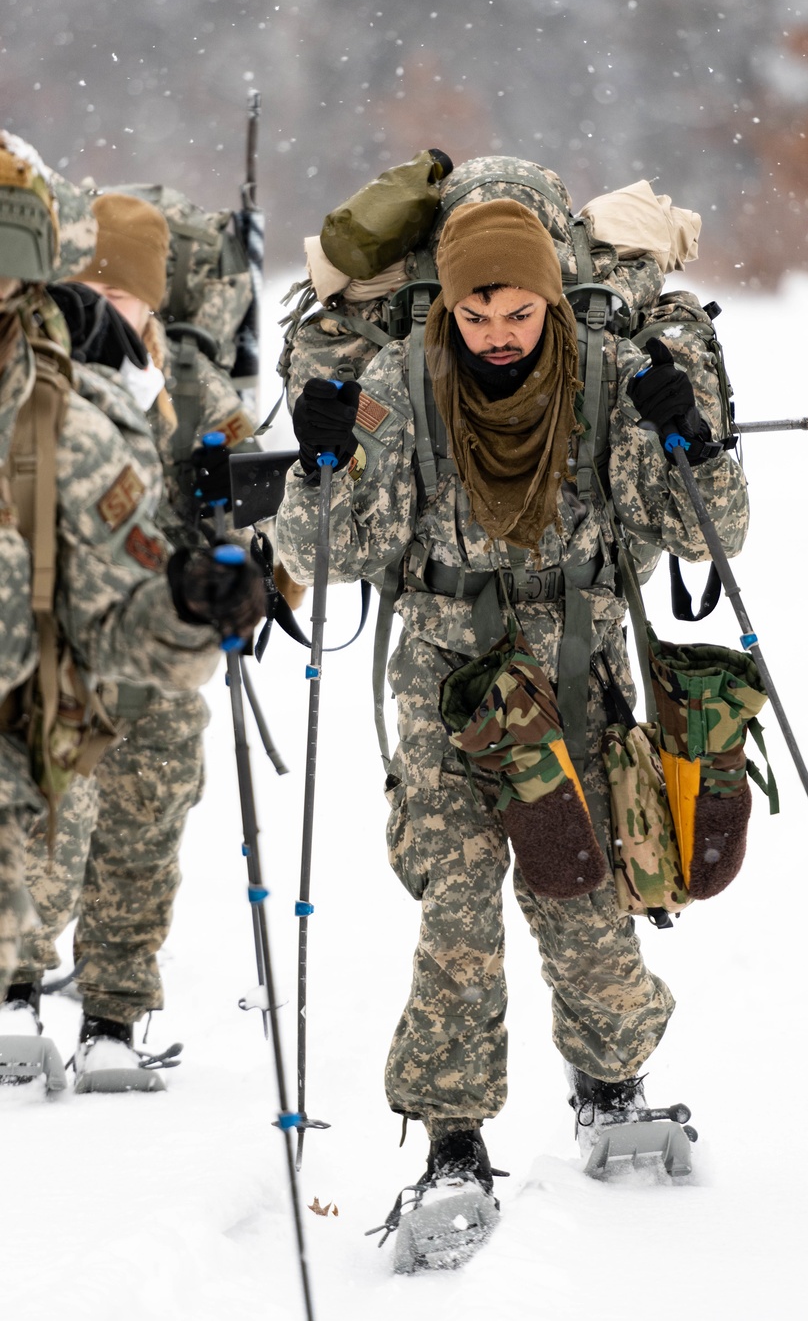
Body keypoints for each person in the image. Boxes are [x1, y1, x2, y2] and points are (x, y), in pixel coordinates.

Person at [275, 195, 748, 1239]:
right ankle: (452, 1140)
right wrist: (323, 467)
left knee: (581, 891)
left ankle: (611, 1083)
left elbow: (712, 535)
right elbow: (335, 555)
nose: (498, 337)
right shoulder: (400, 386)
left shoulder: (606, 386)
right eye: (477, 317)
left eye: (519, 315)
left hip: (576, 665)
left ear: (548, 301)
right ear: (446, 310)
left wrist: (692, 442)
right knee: (457, 902)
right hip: (444, 674)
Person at [0, 137, 264, 1074]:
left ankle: (115, 1011)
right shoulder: (42, 374)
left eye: (125, 297)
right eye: (92, 292)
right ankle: (17, 985)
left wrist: (239, 564)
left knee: (142, 836)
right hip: (62, 642)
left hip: (161, 646)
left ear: (154, 303)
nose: (105, 310)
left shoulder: (196, 392)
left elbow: (267, 523)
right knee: (44, 823)